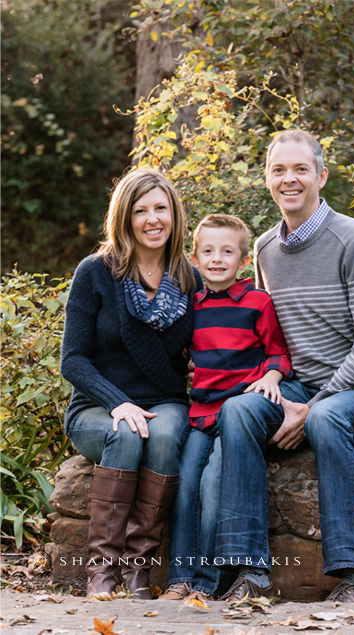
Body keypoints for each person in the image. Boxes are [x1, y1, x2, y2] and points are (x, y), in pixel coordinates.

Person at [203, 129, 354, 603]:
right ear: (267, 179)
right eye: (279, 170)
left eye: (300, 169)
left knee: (328, 416)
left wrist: (311, 405)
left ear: (321, 175)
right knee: (237, 411)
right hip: (300, 386)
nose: (289, 179)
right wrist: (274, 387)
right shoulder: (265, 249)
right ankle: (250, 570)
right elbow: (265, 331)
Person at [60, 168, 200, 598]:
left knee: (158, 437)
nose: (152, 219)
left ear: (174, 215)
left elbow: (213, 343)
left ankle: (140, 570)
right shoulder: (96, 273)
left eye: (161, 208)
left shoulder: (191, 279)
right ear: (124, 217)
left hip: (165, 402)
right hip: (97, 406)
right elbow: (73, 360)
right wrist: (117, 402)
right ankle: (102, 573)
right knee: (125, 433)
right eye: (140, 210)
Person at [160, 213, 294, 602]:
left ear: (242, 261)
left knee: (214, 484)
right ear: (195, 260)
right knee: (185, 486)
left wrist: (271, 377)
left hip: (236, 416)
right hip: (200, 416)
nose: (217, 259)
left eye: (227, 252)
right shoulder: (191, 307)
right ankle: (179, 578)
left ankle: (207, 583)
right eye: (208, 252)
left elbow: (278, 352)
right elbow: (183, 353)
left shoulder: (258, 302)